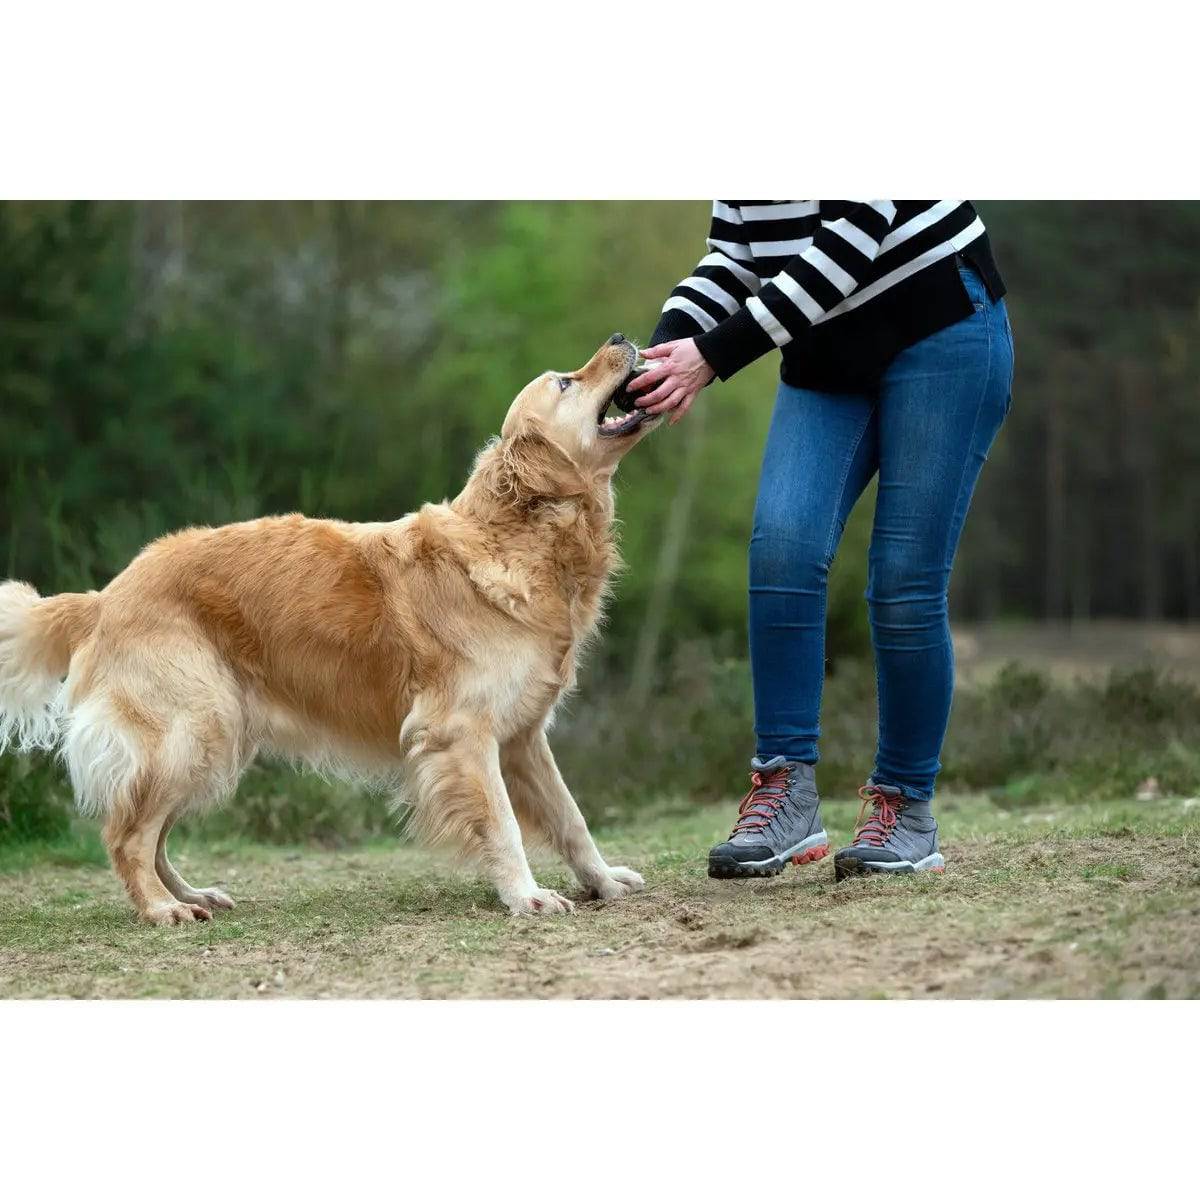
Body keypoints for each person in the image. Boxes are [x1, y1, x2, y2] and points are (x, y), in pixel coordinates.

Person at [628, 201, 1013, 881]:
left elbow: (851, 240)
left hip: (938, 327)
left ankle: (904, 808)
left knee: (902, 583)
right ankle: (786, 793)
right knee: (782, 546)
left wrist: (711, 356)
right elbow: (735, 257)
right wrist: (661, 354)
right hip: (826, 351)